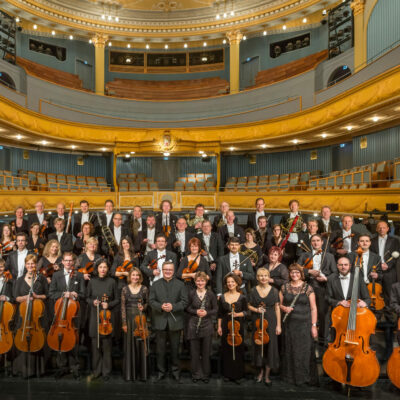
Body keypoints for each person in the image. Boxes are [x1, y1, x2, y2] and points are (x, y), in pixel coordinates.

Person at [279, 264, 318, 386]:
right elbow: (278, 305)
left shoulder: (308, 288)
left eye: (297, 273)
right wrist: (284, 308)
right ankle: (291, 378)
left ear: (301, 274)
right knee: (290, 350)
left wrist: (314, 325)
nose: (294, 275)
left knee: (304, 351)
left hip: (305, 324)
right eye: (292, 273)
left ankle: (304, 378)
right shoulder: (284, 287)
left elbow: (313, 309)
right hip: (289, 324)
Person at [149, 261, 188, 382]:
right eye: (165, 269)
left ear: (174, 270)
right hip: (160, 321)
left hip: (175, 322)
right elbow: (151, 301)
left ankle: (175, 372)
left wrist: (173, 307)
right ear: (162, 270)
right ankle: (161, 372)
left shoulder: (181, 284)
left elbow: (184, 302)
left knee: (175, 349)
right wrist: (161, 306)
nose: (168, 271)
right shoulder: (155, 284)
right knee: (160, 350)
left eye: (170, 269)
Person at [49, 252, 85, 380]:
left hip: (73, 315)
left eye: (71, 261)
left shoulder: (79, 275)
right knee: (60, 340)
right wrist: (64, 294)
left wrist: (75, 295)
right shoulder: (56, 275)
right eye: (66, 260)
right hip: (60, 315)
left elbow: (83, 294)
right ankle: (61, 368)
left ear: (73, 262)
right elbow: (51, 293)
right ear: (62, 262)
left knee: (74, 341)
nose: (69, 263)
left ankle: (74, 367)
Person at [298, 234, 337, 347]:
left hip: (323, 287)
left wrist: (326, 278)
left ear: (322, 242)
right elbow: (296, 268)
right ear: (311, 243)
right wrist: (309, 272)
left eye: (318, 241)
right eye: (313, 241)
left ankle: (322, 340)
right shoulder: (305, 255)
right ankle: (307, 337)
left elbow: (335, 273)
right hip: (308, 286)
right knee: (307, 312)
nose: (315, 243)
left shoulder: (329, 256)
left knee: (324, 314)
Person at [13, 254, 48, 378]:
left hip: (37, 316)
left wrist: (37, 297)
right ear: (25, 265)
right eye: (28, 264)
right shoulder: (19, 280)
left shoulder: (41, 279)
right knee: (21, 340)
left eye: (33, 263)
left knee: (37, 339)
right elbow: (16, 297)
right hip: (23, 315)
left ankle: (37, 370)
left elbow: (46, 295)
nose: (30, 266)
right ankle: (23, 370)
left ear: (36, 265)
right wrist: (26, 298)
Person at [86, 260, 119, 381]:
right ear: (97, 268)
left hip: (107, 318)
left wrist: (108, 305)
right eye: (100, 267)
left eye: (105, 267)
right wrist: (93, 302)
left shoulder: (112, 282)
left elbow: (117, 299)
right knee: (96, 346)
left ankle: (106, 372)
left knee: (106, 346)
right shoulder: (92, 282)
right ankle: (96, 371)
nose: (103, 269)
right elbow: (87, 297)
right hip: (95, 316)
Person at [248, 267, 281, 386]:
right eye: (261, 276)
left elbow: (277, 308)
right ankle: (260, 373)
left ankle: (267, 375)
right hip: (257, 321)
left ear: (268, 277)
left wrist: (278, 325)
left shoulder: (275, 291)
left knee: (270, 348)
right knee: (258, 347)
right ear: (257, 278)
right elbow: (249, 306)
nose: (263, 278)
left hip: (271, 320)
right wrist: (256, 309)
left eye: (265, 276)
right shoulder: (253, 290)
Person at [186, 271, 217, 383]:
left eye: (202, 280)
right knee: (194, 352)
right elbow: (187, 308)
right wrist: (196, 311)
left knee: (205, 351)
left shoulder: (210, 294)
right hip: (193, 324)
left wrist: (206, 313)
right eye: (198, 280)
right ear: (195, 281)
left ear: (206, 281)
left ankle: (205, 375)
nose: (200, 282)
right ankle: (196, 374)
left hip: (207, 325)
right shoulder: (191, 293)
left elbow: (215, 309)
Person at [217, 273, 247, 384]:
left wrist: (238, 315)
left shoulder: (242, 297)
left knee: (238, 350)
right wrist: (219, 327)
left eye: (232, 282)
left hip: (238, 327)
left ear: (237, 283)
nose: (230, 284)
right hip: (226, 325)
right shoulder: (223, 297)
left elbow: (246, 312)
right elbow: (220, 313)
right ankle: (227, 374)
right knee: (226, 349)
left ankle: (238, 375)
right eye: (228, 282)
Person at [121, 267, 149, 381]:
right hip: (128, 319)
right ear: (130, 276)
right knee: (129, 346)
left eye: (137, 275)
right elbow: (122, 307)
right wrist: (124, 323)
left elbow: (148, 303)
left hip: (140, 319)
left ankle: (142, 374)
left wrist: (144, 307)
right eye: (133, 275)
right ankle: (130, 374)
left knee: (141, 345)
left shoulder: (144, 289)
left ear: (140, 277)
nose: (135, 277)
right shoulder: (124, 289)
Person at [371, 220, 400, 322]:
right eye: (379, 227)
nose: (381, 229)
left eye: (384, 227)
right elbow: (371, 256)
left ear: (388, 229)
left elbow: (396, 255)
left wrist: (388, 265)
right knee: (376, 294)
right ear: (376, 229)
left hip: (389, 271)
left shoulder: (395, 241)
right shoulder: (372, 240)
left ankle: (389, 318)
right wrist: (377, 266)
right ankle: (377, 317)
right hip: (377, 270)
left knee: (389, 295)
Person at [279, 200, 305, 265]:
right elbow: (281, 227)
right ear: (289, 207)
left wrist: (304, 227)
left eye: (295, 205)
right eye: (291, 205)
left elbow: (305, 231)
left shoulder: (303, 216)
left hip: (299, 241)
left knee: (299, 261)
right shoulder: (285, 216)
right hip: (288, 241)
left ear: (298, 207)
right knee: (288, 260)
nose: (293, 207)